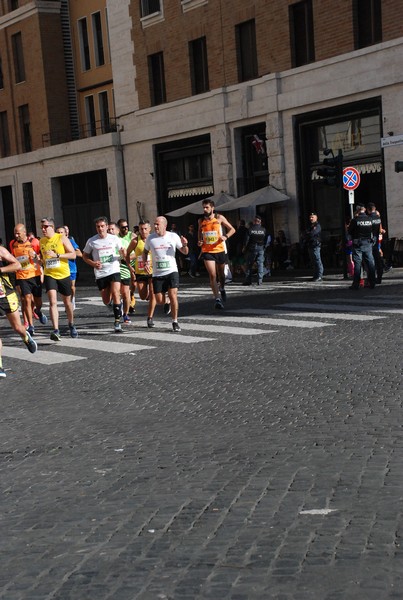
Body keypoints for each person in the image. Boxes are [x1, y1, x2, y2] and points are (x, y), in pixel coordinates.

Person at [143, 216, 189, 332]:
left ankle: (175, 321)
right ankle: (166, 301)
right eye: (155, 224)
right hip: (157, 274)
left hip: (172, 271)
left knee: (174, 295)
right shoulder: (150, 238)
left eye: (158, 224)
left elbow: (184, 252)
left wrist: (184, 245)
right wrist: (146, 262)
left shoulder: (173, 236)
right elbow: (145, 251)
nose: (155, 226)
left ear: (165, 225)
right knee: (159, 301)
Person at [82, 216, 126, 333]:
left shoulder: (114, 239)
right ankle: (112, 303)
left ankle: (117, 321)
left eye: (102, 226)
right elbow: (84, 256)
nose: (100, 229)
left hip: (114, 269)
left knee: (116, 292)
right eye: (98, 227)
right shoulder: (92, 241)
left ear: (107, 226)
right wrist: (93, 263)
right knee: (106, 300)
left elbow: (123, 253)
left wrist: (122, 254)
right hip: (101, 273)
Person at [0, 246, 38, 377]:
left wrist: (1, 269)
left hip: (5, 295)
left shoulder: (1, 251)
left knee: (17, 327)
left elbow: (17, 265)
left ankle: (25, 337)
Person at [39, 218, 78, 340]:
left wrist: (57, 255)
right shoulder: (42, 241)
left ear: (51, 226)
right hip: (50, 274)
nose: (43, 229)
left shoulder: (61, 238)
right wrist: (37, 260)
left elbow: (73, 254)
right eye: (42, 227)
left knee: (67, 303)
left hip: (63, 274)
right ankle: (56, 330)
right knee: (52, 302)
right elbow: (43, 259)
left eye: (45, 227)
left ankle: (71, 324)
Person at [198, 199, 235, 309]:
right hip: (207, 251)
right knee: (212, 275)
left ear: (212, 208)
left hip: (219, 250)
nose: (205, 209)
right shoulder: (200, 220)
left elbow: (232, 229)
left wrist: (226, 236)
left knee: (221, 275)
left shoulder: (219, 218)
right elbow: (199, 233)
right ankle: (217, 299)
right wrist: (199, 241)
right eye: (203, 207)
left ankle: (222, 287)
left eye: (207, 207)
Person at [11, 223, 47, 335]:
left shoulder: (34, 242)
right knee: (26, 300)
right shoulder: (13, 244)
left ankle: (38, 311)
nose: (16, 235)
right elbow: (13, 258)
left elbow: (42, 260)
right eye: (15, 233)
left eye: (18, 233)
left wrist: (35, 256)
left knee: (38, 302)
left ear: (24, 232)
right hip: (22, 276)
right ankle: (31, 326)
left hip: (34, 275)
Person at [126, 219, 156, 328]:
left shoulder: (154, 239)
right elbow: (127, 254)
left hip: (153, 271)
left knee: (153, 293)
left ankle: (150, 317)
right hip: (140, 272)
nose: (143, 231)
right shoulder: (135, 241)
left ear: (149, 229)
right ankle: (150, 297)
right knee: (143, 296)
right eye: (141, 229)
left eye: (145, 229)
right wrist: (130, 266)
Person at [348, 205, 376, 290]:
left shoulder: (355, 220)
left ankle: (356, 284)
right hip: (368, 243)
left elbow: (350, 232)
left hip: (358, 244)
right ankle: (372, 282)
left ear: (357, 211)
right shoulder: (369, 219)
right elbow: (373, 231)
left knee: (358, 264)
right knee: (370, 263)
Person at [117, 218, 135, 324]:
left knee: (134, 286)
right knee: (124, 292)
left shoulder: (131, 236)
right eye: (123, 227)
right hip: (121, 266)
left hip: (133, 264)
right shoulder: (116, 238)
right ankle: (125, 314)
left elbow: (137, 252)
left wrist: (128, 257)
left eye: (127, 226)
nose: (126, 229)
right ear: (119, 228)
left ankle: (131, 297)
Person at [242, 215, 267, 286]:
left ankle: (248, 281)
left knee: (249, 264)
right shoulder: (263, 229)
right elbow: (265, 239)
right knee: (260, 264)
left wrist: (244, 247)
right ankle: (260, 281)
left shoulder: (250, 229)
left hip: (251, 248)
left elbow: (246, 240)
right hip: (261, 247)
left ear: (254, 221)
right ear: (260, 222)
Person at [366, 203, 384, 284]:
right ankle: (379, 278)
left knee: (370, 261)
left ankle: (371, 279)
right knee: (378, 261)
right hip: (376, 242)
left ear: (368, 209)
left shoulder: (368, 218)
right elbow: (380, 230)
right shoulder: (378, 218)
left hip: (370, 242)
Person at [304, 212, 324, 282]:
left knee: (317, 260)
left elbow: (313, 233)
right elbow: (305, 234)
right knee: (313, 261)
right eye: (310, 217)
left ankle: (319, 276)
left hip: (316, 245)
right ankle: (315, 276)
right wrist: (308, 234)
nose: (311, 218)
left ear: (316, 217)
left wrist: (308, 233)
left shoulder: (317, 225)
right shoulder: (310, 226)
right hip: (310, 245)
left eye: (312, 217)